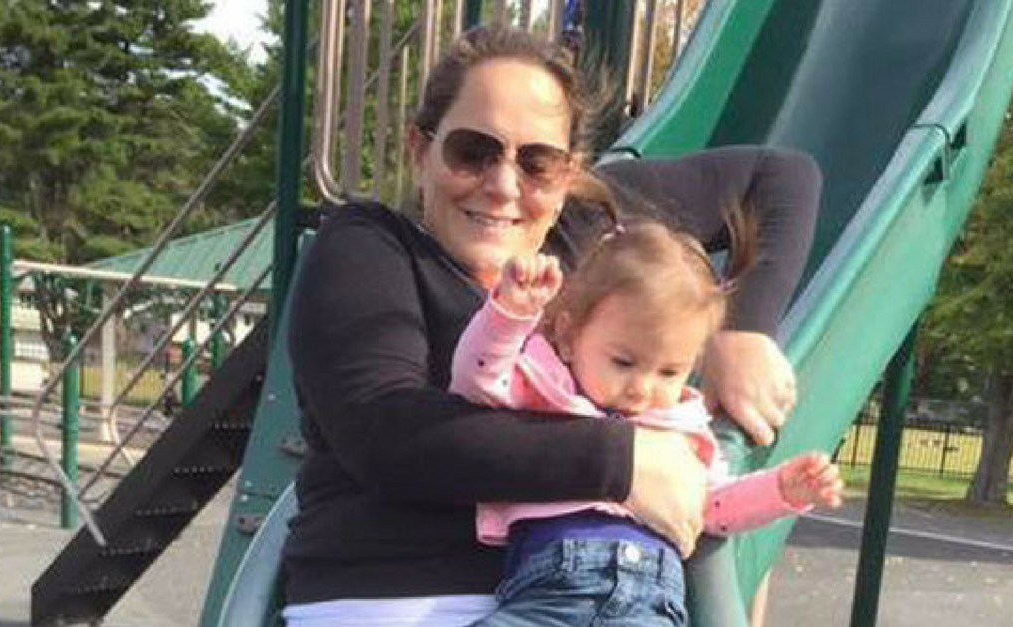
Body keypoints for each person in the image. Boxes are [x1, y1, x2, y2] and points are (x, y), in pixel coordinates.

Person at [283, 25, 820, 627]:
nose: (503, 185)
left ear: (569, 174)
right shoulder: (370, 247)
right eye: (472, 152)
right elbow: (385, 434)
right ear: (420, 149)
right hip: (395, 599)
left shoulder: (584, 240)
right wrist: (626, 461)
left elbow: (778, 179)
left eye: (537, 163)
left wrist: (744, 327)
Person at [449, 223, 843, 625]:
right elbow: (477, 381)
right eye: (623, 362)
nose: (642, 388)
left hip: (647, 603)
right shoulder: (546, 391)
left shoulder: (684, 431)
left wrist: (780, 490)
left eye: (669, 372)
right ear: (568, 337)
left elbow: (714, 506)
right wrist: (508, 315)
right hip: (548, 598)